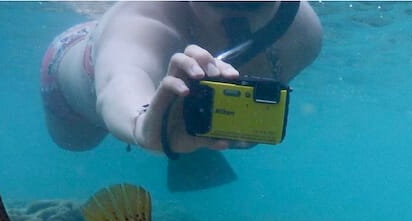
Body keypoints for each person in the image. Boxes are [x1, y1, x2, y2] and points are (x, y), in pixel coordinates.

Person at [40, 1, 322, 156]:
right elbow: (121, 79)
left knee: (192, 138)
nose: (235, 8)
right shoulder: (145, 14)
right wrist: (142, 125)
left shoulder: (304, 32)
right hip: (73, 70)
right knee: (77, 144)